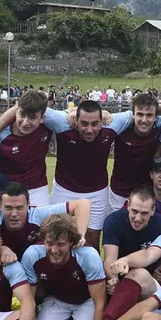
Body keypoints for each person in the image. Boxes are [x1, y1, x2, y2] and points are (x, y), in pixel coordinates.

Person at [22, 214, 106, 320]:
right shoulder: (32, 254)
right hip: (57, 298)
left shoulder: (88, 256)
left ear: (72, 243)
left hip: (85, 299)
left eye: (61, 244)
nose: (54, 250)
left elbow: (100, 301)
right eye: (49, 244)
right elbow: (29, 298)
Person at [0, 182, 91, 259]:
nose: (14, 214)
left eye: (20, 208)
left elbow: (82, 204)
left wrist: (80, 236)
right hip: (1, 263)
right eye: (9, 208)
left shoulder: (38, 214)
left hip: (31, 263)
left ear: (28, 205)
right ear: (0, 206)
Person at [49, 100, 119, 247]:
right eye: (84, 123)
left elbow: (138, 113)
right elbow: (36, 109)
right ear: (76, 121)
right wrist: (67, 112)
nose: (89, 129)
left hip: (97, 192)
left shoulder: (111, 126)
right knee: (56, 233)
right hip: (63, 189)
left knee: (92, 237)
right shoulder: (63, 125)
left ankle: (90, 269)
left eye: (95, 124)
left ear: (101, 121)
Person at [0, 91, 69, 206]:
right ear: (15, 112)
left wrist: (72, 113)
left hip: (37, 188)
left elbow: (74, 115)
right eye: (22, 115)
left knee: (41, 223)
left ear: (42, 118)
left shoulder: (49, 124)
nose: (25, 122)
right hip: (4, 189)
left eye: (32, 118)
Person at [102, 185, 161, 298]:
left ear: (153, 210)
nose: (138, 218)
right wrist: (113, 280)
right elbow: (110, 259)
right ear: (128, 205)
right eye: (134, 211)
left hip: (150, 280)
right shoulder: (114, 222)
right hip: (120, 276)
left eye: (144, 213)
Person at [107, 94, 161, 212]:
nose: (144, 120)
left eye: (149, 115)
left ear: (156, 117)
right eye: (140, 114)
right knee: (117, 228)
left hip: (146, 192)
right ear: (133, 115)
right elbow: (97, 117)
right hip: (119, 192)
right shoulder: (122, 127)